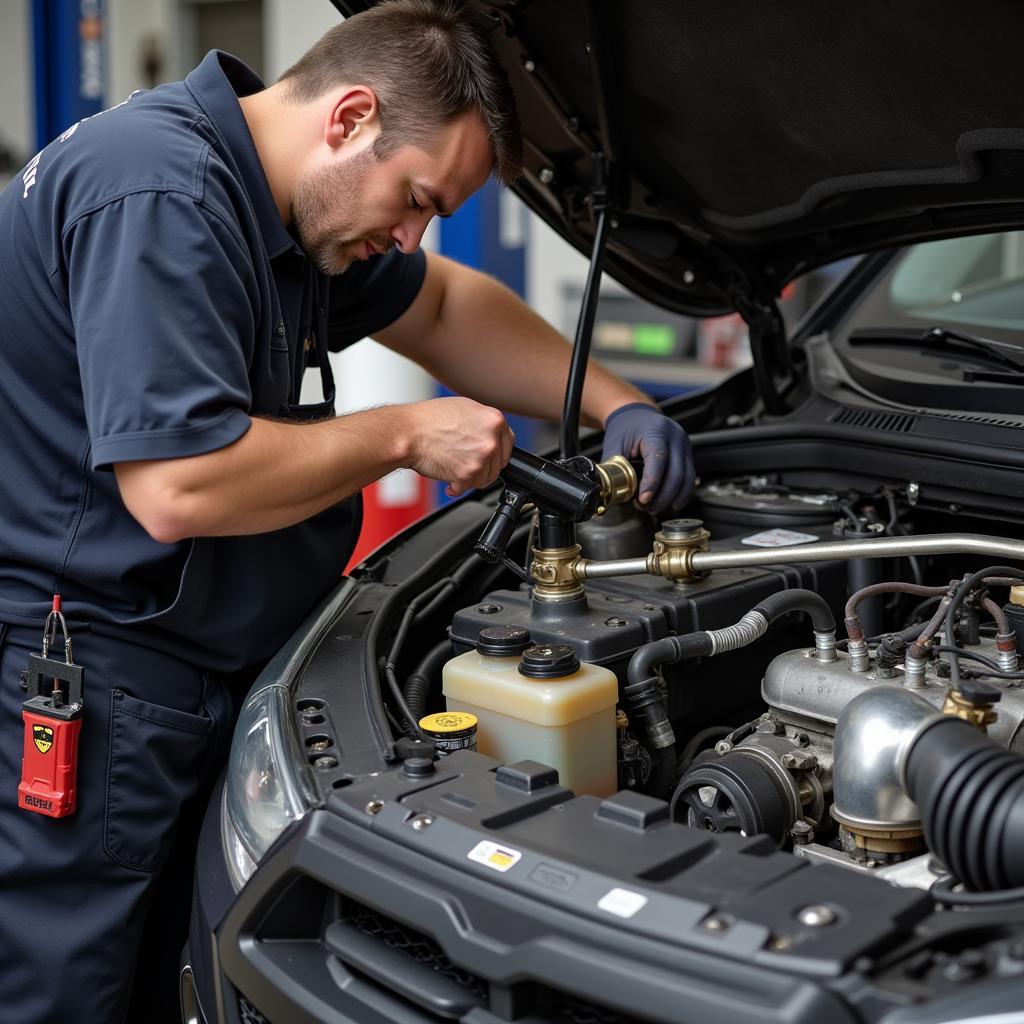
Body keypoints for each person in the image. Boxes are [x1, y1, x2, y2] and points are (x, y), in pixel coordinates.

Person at [0, 1, 693, 1020]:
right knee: (67, 994)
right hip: (94, 682)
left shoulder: (279, 206)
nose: (409, 235)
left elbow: (448, 307)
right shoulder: (161, 189)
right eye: (413, 199)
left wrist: (618, 401)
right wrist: (407, 435)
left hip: (198, 665)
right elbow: (177, 484)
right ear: (350, 117)